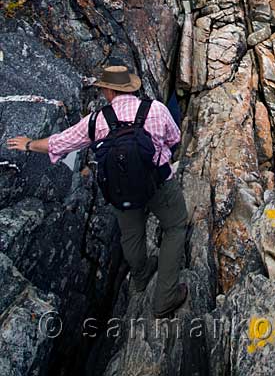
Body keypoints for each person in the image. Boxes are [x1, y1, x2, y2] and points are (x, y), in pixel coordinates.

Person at [7, 64, 188, 319]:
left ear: (109, 91)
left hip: (121, 191)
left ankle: (141, 276)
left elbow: (61, 142)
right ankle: (166, 296)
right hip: (159, 183)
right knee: (176, 226)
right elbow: (174, 137)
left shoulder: (97, 120)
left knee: (131, 235)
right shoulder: (156, 109)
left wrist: (28, 144)